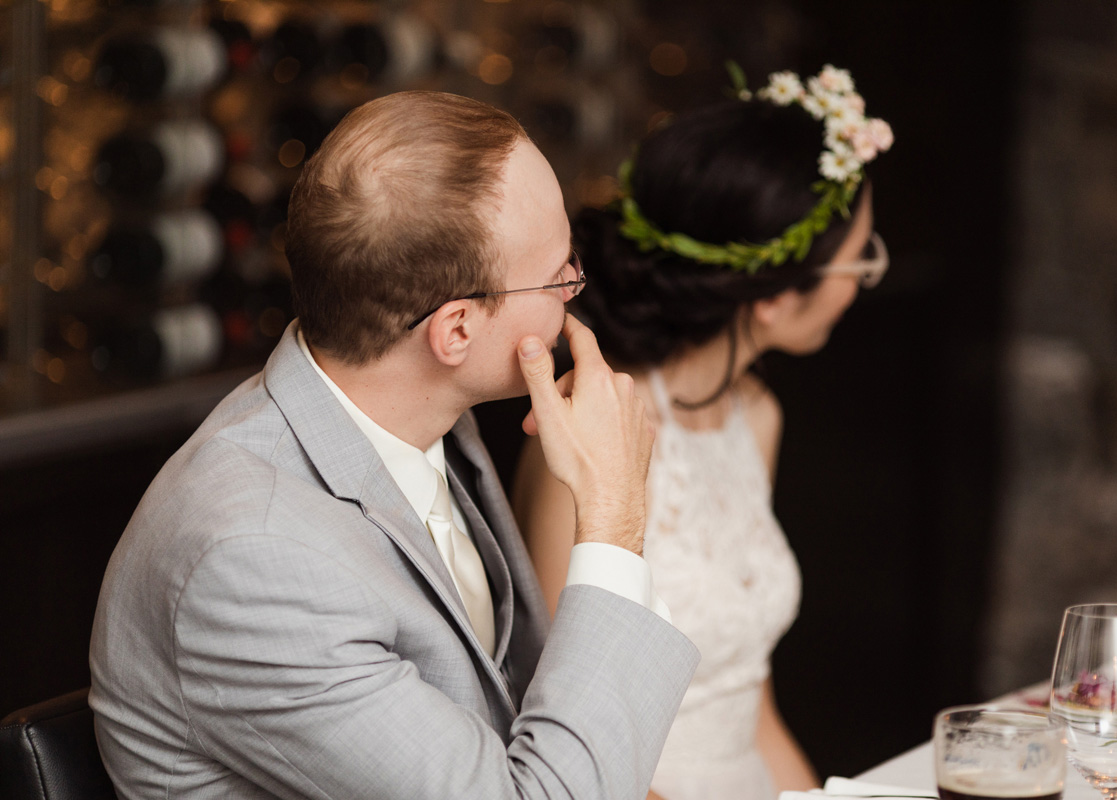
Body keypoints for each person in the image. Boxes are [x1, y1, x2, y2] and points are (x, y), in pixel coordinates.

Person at [88, 91, 699, 800]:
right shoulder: (253, 560)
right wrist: (615, 512)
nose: (573, 291)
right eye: (560, 272)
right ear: (457, 330)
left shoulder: (426, 416)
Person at [512, 66, 894, 800]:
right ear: (779, 299)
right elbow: (565, 721)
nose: (864, 282)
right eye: (861, 260)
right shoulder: (586, 425)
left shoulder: (759, 418)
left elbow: (752, 710)